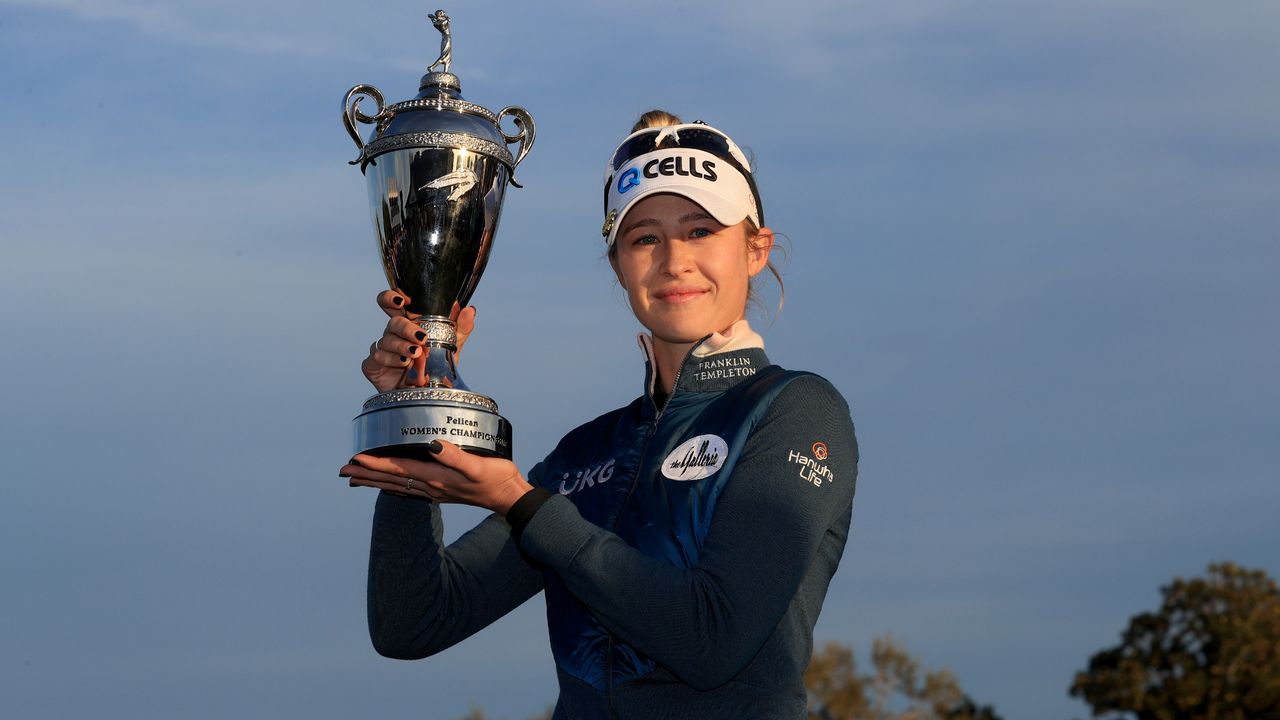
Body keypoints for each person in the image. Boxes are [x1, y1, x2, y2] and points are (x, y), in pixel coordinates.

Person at [341, 110, 859, 719]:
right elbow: (412, 623)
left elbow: (711, 640)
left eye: (700, 231)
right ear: (617, 265)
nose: (674, 261)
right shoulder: (588, 455)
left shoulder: (795, 410)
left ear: (754, 249)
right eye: (644, 238)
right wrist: (415, 418)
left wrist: (523, 502)